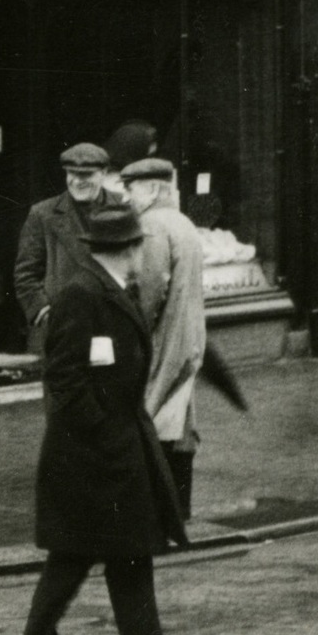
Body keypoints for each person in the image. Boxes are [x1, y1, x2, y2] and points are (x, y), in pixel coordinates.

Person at [15, 202, 186, 635]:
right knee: (109, 553)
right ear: (129, 249)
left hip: (106, 451)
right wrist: (106, 432)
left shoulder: (110, 289)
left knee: (89, 553)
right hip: (92, 455)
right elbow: (65, 378)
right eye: (138, 246)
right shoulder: (82, 295)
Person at [117, 157, 208, 514]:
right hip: (189, 339)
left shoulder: (153, 225)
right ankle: (178, 509)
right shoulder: (183, 223)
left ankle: (155, 511)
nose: (127, 197)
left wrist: (133, 330)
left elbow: (151, 289)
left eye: (132, 189)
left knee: (151, 418)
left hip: (165, 341)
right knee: (180, 425)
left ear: (153, 189)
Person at [14, 141, 115, 343]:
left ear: (104, 173)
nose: (77, 181)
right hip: (60, 330)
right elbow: (25, 275)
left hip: (111, 327)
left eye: (86, 175)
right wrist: (45, 314)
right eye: (71, 174)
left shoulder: (123, 208)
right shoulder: (43, 214)